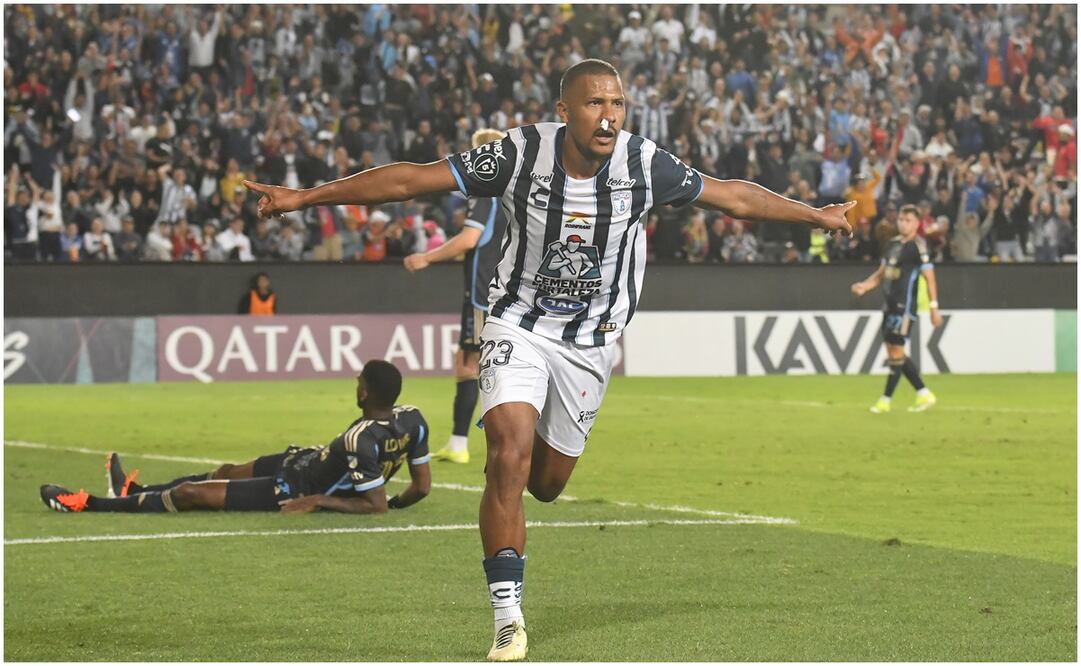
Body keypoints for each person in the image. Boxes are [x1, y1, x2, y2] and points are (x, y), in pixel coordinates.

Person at [243, 58, 853, 662]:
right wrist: (304, 198)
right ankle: (508, 619)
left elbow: (733, 199)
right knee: (507, 456)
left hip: (592, 343)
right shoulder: (515, 156)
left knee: (548, 483)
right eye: (594, 104)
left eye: (616, 104)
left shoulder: (645, 163)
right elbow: (410, 181)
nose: (608, 116)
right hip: (518, 325)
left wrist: (815, 215)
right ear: (564, 112)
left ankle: (522, 506)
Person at [41, 361, 431, 515]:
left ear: (364, 393)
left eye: (358, 382)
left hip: (290, 487)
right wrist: (401, 504)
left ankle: (87, 505)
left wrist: (317, 501)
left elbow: (374, 504)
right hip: (302, 460)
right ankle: (132, 489)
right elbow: (422, 487)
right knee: (224, 470)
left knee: (192, 494)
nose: (355, 385)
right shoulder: (414, 419)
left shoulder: (359, 439)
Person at [404, 128, 509, 465]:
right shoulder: (513, 192)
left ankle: (464, 443)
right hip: (504, 288)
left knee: (473, 363)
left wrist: (426, 257)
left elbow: (469, 239)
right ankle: (461, 442)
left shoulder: (486, 192)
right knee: (473, 361)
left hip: (483, 291)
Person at [851, 204, 945, 414]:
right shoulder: (892, 244)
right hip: (889, 305)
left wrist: (934, 307)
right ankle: (923, 393)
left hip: (904, 307)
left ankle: (885, 400)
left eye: (908, 220)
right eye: (901, 220)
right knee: (894, 352)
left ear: (917, 223)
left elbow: (930, 279)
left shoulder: (919, 247)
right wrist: (865, 286)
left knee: (896, 351)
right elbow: (882, 272)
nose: (903, 223)